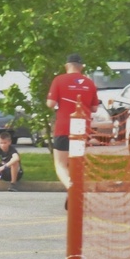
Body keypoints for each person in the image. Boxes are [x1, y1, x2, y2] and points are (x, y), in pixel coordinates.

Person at [46, 53, 99, 196]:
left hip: (63, 128)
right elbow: (94, 108)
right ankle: (75, 190)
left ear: (66, 66)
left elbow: (50, 104)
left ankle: (72, 189)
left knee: (61, 164)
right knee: (76, 163)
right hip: (83, 129)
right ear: (81, 67)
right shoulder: (89, 83)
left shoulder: (59, 80)